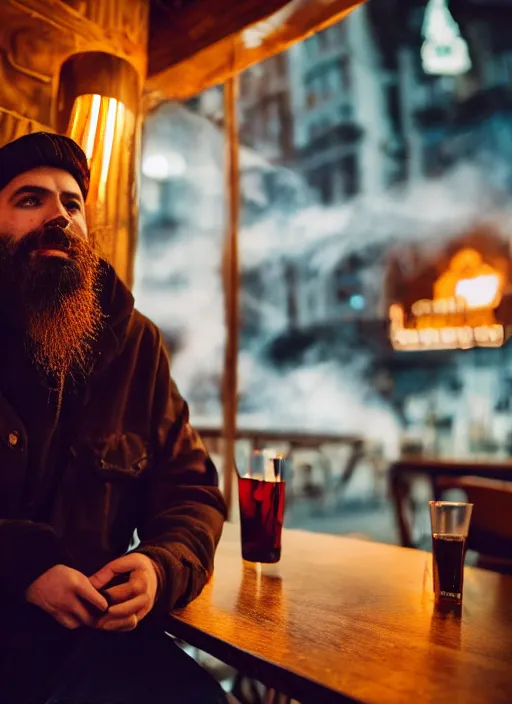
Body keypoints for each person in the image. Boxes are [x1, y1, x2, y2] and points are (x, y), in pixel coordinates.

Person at [0, 132, 227, 703]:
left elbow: (191, 496)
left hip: (91, 647)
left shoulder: (134, 345)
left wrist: (158, 567)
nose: (58, 216)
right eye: (30, 200)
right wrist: (20, 565)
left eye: (71, 203)